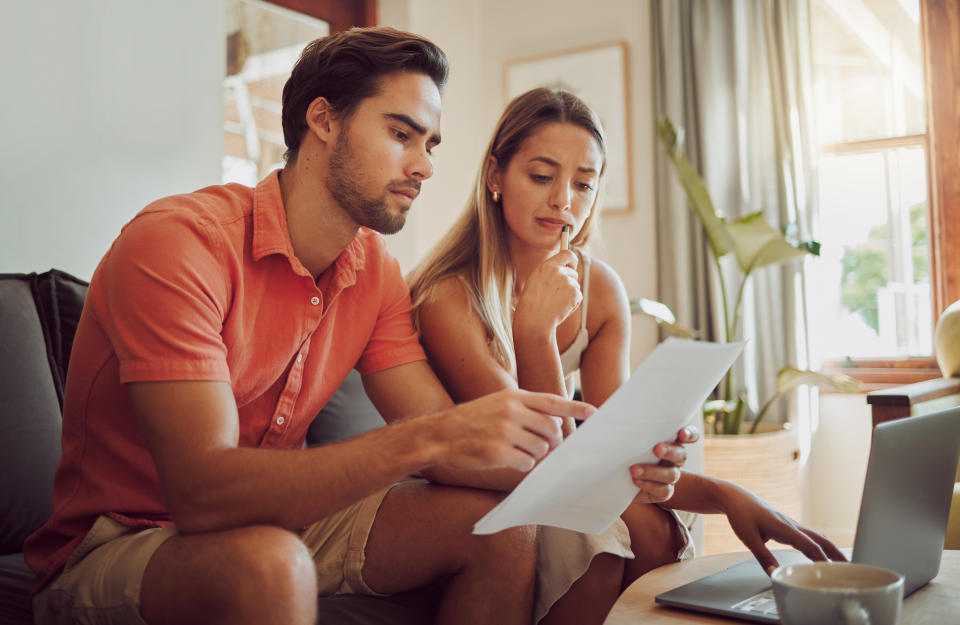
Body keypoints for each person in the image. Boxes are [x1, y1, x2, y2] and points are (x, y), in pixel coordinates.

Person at [23, 28, 694, 625]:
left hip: (282, 518)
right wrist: (426, 438)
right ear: (323, 121)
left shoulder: (372, 271)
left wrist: (621, 475)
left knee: (500, 529)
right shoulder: (178, 246)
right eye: (402, 134)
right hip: (126, 538)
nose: (426, 166)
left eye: (430, 143)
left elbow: (458, 444)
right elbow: (202, 496)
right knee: (269, 565)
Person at [407, 87, 846, 625]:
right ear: (495, 176)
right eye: (542, 176)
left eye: (584, 183)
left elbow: (611, 456)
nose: (563, 199)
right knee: (610, 533)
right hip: (486, 484)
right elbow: (549, 463)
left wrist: (728, 495)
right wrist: (535, 333)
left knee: (654, 528)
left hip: (557, 478)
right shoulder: (449, 298)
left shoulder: (598, 287)